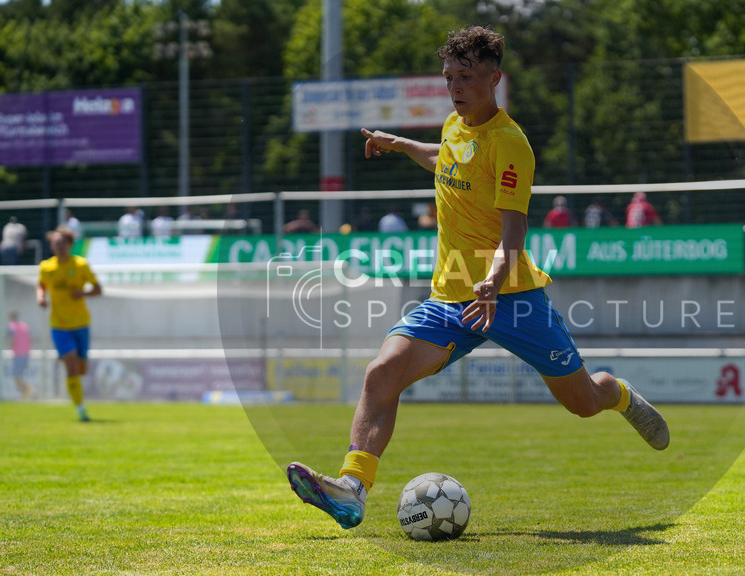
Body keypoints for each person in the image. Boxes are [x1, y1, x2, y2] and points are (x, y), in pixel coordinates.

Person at [285, 26, 669, 531]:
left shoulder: (510, 144)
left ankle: (616, 393)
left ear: (495, 79)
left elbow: (514, 229)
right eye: (449, 77)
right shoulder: (454, 126)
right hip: (450, 299)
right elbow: (445, 159)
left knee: (582, 403)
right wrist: (400, 144)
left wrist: (490, 283)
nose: (455, 87)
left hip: (511, 296)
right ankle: (352, 489)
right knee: (382, 373)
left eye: (466, 77)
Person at [36, 226, 102, 421]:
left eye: (62, 243)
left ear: (70, 245)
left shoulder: (81, 265)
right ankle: (81, 409)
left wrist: (83, 293)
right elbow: (41, 284)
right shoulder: (46, 267)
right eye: (55, 243)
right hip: (59, 325)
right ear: (51, 246)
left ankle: (77, 397)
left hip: (81, 323)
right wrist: (41, 297)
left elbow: (98, 289)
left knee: (81, 369)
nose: (59, 247)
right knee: (71, 365)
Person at [7, 311, 34, 400]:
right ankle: (25, 394)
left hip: (18, 354)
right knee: (19, 376)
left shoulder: (11, 327)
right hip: (26, 354)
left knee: (16, 376)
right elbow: (31, 339)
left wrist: (11, 348)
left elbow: (11, 340)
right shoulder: (24, 325)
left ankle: (28, 389)